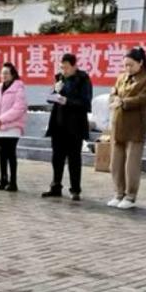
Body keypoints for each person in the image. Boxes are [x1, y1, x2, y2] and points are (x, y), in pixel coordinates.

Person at [107, 47, 146, 210]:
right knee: (116, 162)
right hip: (118, 123)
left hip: (136, 126)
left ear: (140, 63)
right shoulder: (122, 77)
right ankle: (118, 193)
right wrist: (114, 98)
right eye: (125, 65)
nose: (127, 68)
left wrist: (123, 102)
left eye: (131, 65)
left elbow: (143, 98)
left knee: (131, 164)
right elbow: (113, 92)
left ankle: (130, 195)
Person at [42, 53, 92, 201]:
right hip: (58, 124)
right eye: (62, 68)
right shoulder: (59, 78)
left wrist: (67, 101)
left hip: (75, 126)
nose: (64, 71)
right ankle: (55, 186)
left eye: (66, 68)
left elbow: (86, 103)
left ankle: (75, 189)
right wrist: (54, 91)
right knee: (57, 158)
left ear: (74, 66)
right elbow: (49, 99)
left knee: (74, 158)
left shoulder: (83, 79)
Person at [0, 62, 26, 192]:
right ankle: (3, 179)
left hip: (12, 127)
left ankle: (13, 182)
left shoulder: (19, 89)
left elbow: (19, 108)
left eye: (6, 73)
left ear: (13, 75)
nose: (3, 75)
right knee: (1, 154)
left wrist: (1, 119)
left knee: (10, 153)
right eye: (2, 73)